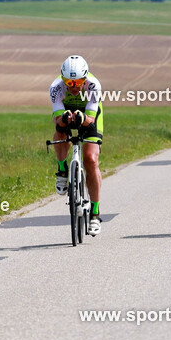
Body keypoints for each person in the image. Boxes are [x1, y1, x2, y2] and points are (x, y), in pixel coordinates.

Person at [49, 55, 103, 236]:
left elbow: (90, 120)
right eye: (69, 83)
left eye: (78, 82)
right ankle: (62, 169)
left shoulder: (93, 85)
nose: (74, 87)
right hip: (66, 111)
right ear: (63, 80)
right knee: (60, 133)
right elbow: (58, 122)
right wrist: (65, 119)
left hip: (89, 114)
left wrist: (81, 118)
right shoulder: (56, 88)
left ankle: (95, 213)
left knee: (90, 159)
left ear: (85, 78)